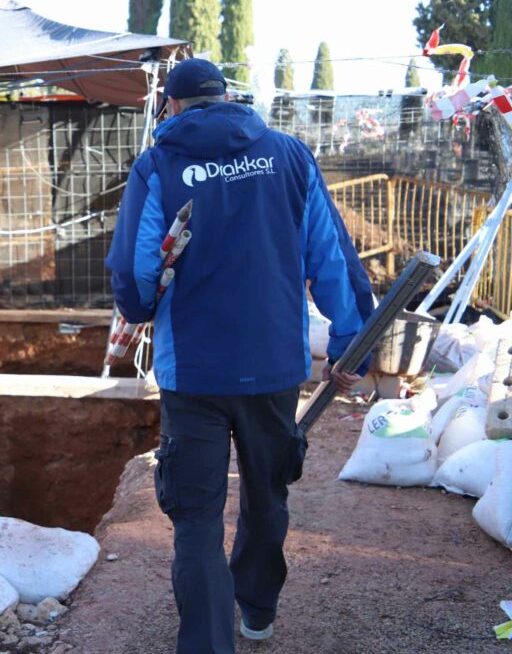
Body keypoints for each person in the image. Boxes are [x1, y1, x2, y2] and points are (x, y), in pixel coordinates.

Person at [105, 59, 374, 654]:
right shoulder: (287, 155)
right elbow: (329, 256)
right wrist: (355, 339)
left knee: (197, 517)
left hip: (192, 372)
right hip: (275, 364)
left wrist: (141, 303)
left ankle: (205, 644)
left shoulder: (157, 166)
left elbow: (134, 270)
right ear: (227, 98)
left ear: (170, 107)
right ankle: (257, 611)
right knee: (266, 492)